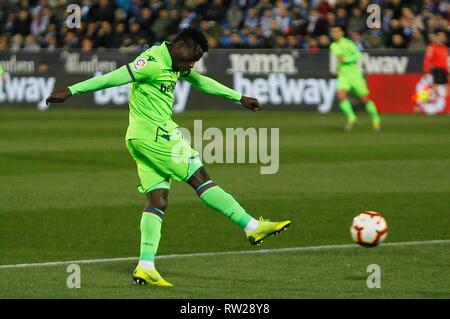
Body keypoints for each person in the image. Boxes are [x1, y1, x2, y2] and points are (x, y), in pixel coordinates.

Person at [46, 28, 291, 287]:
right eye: (191, 58)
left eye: (195, 61)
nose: (191, 64)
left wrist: (238, 97)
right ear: (181, 44)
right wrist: (71, 91)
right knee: (200, 177)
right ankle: (252, 225)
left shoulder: (176, 63)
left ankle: (146, 265)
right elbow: (112, 78)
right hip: (156, 135)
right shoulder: (150, 62)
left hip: (139, 139)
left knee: (157, 200)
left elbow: (202, 82)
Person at [329, 25, 381, 130]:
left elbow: (358, 55)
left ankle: (376, 118)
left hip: (355, 75)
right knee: (340, 96)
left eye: (337, 31)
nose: (335, 33)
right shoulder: (333, 46)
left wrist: (346, 60)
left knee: (365, 99)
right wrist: (337, 67)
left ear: (341, 33)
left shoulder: (348, 43)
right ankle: (352, 118)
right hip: (343, 76)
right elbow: (338, 59)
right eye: (333, 32)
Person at [423, 31, 448, 98]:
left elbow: (446, 61)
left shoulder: (445, 48)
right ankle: (422, 102)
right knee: (435, 87)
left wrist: (448, 72)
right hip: (437, 70)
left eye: (443, 36)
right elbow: (427, 59)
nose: (442, 37)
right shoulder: (432, 47)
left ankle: (447, 105)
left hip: (443, 70)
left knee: (443, 88)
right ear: (436, 37)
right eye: (440, 35)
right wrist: (426, 71)